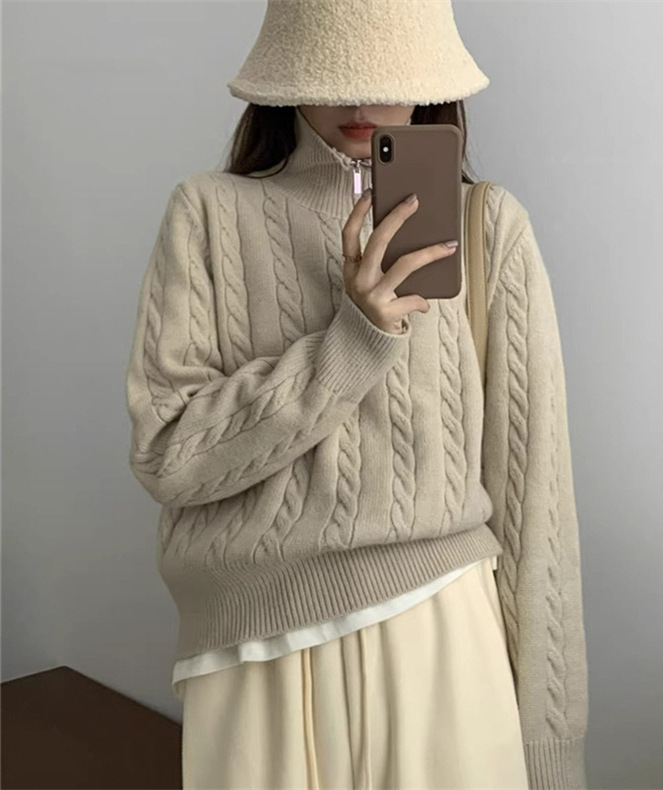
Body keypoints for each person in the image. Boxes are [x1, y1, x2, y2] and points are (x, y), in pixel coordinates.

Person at [124, 1, 589, 788]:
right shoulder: (207, 214)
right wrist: (355, 340)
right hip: (252, 655)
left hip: (444, 635)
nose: (360, 96)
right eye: (333, 67)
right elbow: (168, 457)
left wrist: (550, 750)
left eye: (386, 67)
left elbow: (535, 503)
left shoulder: (486, 227)